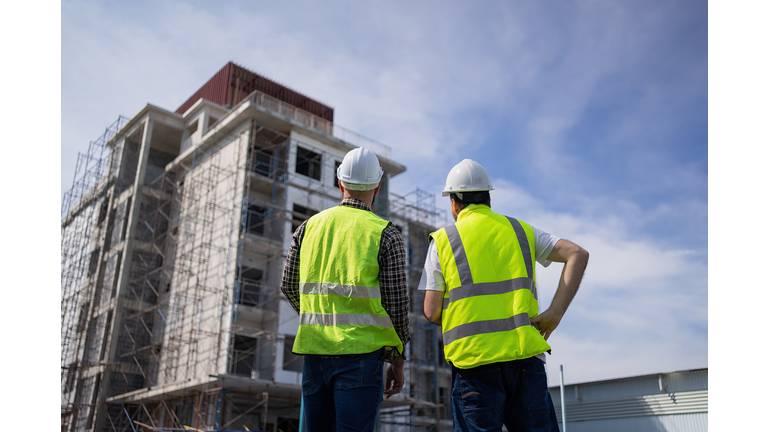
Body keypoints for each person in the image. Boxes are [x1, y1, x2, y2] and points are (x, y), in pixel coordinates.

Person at [420, 159, 589, 432]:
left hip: (474, 361)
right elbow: (577, 254)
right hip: (526, 358)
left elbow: (431, 311)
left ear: (453, 202)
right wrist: (555, 313)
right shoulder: (521, 230)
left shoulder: (443, 240)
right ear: (488, 197)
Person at [280, 147, 410, 432]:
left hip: (315, 355)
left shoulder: (307, 228)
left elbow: (288, 285)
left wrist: (319, 317)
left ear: (340, 183)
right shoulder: (386, 233)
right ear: (377, 186)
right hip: (363, 357)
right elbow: (397, 305)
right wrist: (398, 361)